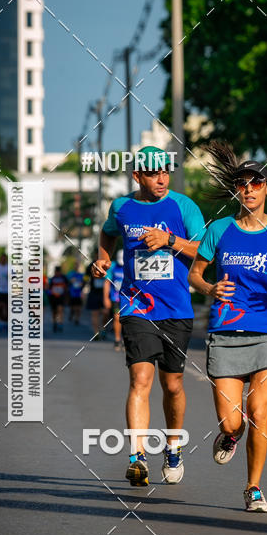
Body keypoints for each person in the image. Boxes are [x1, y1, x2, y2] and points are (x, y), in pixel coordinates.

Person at [188, 141, 267, 513]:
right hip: (226, 336)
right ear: (236, 191)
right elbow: (195, 274)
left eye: (256, 183)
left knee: (259, 413)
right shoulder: (220, 229)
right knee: (232, 422)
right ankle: (229, 437)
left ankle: (253, 488)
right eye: (243, 184)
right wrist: (209, 287)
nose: (250, 189)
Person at [91, 145, 205, 486]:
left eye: (165, 172)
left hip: (177, 309)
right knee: (140, 380)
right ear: (137, 176)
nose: (162, 178)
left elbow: (205, 249)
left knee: (173, 385)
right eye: (154, 173)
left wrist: (170, 240)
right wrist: (103, 257)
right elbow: (108, 233)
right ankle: (137, 456)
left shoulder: (183, 205)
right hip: (137, 306)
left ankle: (173, 446)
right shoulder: (122, 207)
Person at [104, 250, 125, 351]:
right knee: (117, 318)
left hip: (128, 298)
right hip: (116, 297)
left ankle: (126, 341)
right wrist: (106, 298)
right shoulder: (113, 267)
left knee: (128, 320)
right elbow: (107, 283)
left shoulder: (130, 264)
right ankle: (117, 339)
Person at [48, 265, 68, 332]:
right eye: (56, 272)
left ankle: (60, 323)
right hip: (53, 297)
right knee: (54, 312)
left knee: (60, 310)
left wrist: (66, 295)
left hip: (61, 297)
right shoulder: (52, 278)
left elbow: (67, 286)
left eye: (58, 272)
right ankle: (54, 323)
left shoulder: (64, 278)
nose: (57, 273)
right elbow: (49, 288)